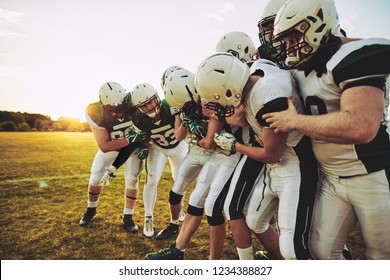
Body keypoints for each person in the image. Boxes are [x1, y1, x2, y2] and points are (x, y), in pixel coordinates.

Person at [263, 0, 390, 259]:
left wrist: (295, 121)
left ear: (317, 25)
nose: (289, 47)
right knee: (321, 251)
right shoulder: (299, 69)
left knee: (381, 256)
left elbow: (361, 126)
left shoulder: (354, 54)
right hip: (331, 179)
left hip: (373, 176)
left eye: (293, 36)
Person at [195, 52, 318, 260]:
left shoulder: (267, 96)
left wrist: (235, 145)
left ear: (229, 89)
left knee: (294, 247)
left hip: (294, 167)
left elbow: (272, 154)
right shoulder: (257, 69)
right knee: (255, 221)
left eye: (218, 101)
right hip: (276, 167)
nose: (220, 110)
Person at [146, 68, 241, 259]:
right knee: (196, 201)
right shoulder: (184, 105)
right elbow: (180, 135)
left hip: (230, 152)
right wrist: (187, 120)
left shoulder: (209, 99)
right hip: (216, 154)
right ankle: (178, 249)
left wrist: (196, 124)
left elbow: (209, 142)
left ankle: (215, 259)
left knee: (221, 208)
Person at [79, 81, 147, 233]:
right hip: (112, 146)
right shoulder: (94, 111)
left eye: (120, 106)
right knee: (96, 175)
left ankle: (128, 217)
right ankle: (91, 210)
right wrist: (130, 139)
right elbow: (104, 145)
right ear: (103, 106)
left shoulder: (135, 103)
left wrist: (137, 143)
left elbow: (143, 133)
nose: (117, 111)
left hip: (133, 149)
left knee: (132, 179)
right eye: (112, 108)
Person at [130, 82, 188, 238]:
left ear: (157, 97)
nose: (149, 107)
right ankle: (148, 217)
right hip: (158, 147)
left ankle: (179, 208)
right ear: (137, 108)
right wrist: (141, 145)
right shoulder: (138, 120)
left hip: (178, 146)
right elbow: (143, 137)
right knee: (152, 180)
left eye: (150, 101)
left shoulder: (170, 105)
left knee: (180, 180)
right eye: (143, 105)